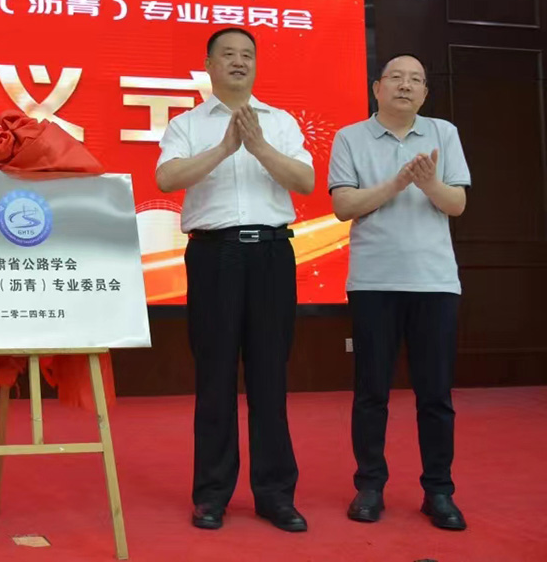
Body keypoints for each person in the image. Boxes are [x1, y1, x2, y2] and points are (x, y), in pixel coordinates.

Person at [155, 27, 315, 532]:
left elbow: (306, 181)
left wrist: (258, 146)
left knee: (270, 376)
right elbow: (166, 179)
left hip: (271, 255)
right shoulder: (185, 124)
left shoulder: (280, 122)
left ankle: (275, 495)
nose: (239, 62)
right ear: (209, 65)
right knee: (215, 377)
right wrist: (226, 147)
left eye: (247, 54)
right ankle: (211, 495)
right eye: (228, 54)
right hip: (213, 256)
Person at [328, 53, 470, 530]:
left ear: (425, 92)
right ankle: (369, 486)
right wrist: (395, 184)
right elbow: (344, 206)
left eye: (415, 80)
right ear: (377, 87)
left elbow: (457, 203)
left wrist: (429, 183)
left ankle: (439, 492)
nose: (405, 86)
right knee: (371, 392)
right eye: (396, 78)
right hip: (374, 282)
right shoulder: (350, 137)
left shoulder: (443, 133)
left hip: (435, 282)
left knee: (436, 394)